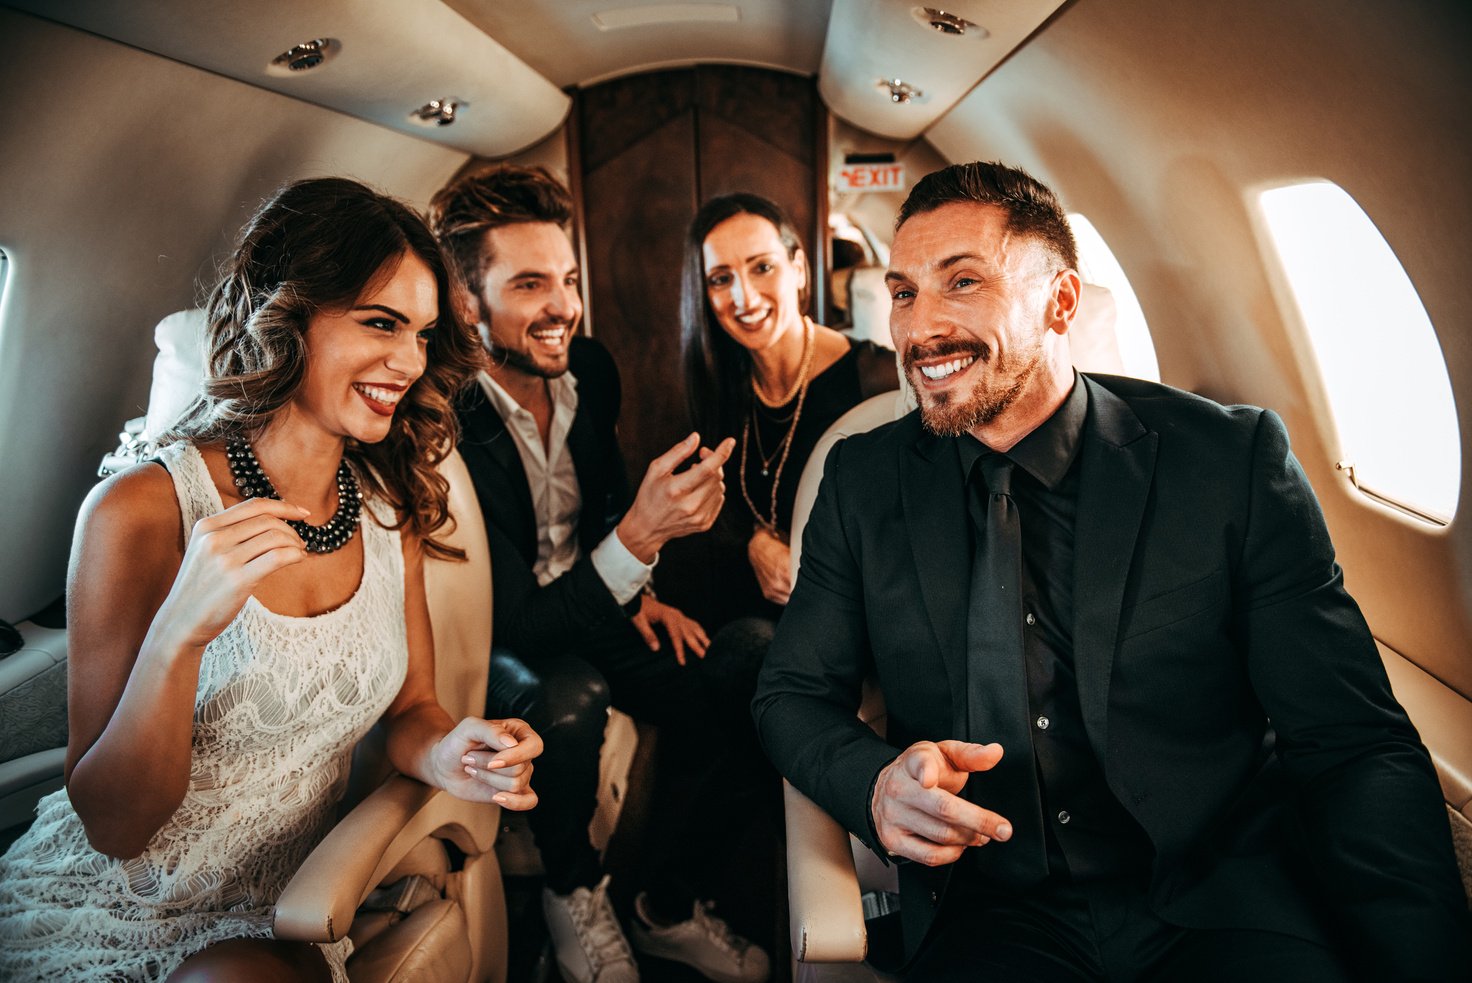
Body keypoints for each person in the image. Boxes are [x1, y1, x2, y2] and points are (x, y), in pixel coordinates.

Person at [753, 161, 1472, 981]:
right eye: (906, 292)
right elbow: (790, 695)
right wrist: (878, 783)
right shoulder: (862, 481)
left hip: (1222, 898)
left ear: (1061, 302)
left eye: (963, 283)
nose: (919, 330)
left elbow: (1352, 743)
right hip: (993, 910)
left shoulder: (1229, 463)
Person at [0, 178, 542, 982]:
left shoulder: (393, 510)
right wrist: (179, 634)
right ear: (287, 314)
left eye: (424, 334)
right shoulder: (137, 511)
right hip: (97, 901)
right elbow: (116, 826)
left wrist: (452, 752)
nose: (408, 361)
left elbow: (412, 711)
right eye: (381, 323)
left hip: (273, 912)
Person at [429, 165, 769, 983]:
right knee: (570, 694)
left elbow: (606, 483)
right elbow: (517, 624)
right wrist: (639, 541)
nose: (564, 307)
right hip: (511, 637)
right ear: (468, 303)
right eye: (532, 284)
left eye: (570, 279)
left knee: (747, 666)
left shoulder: (589, 365)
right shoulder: (448, 422)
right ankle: (571, 892)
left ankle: (662, 899)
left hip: (600, 601)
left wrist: (639, 588)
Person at [680, 193, 898, 655]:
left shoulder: (875, 380)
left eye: (762, 267)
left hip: (846, 622)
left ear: (798, 269)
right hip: (743, 610)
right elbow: (717, 502)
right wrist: (754, 543)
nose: (744, 298)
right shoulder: (722, 382)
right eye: (722, 278)